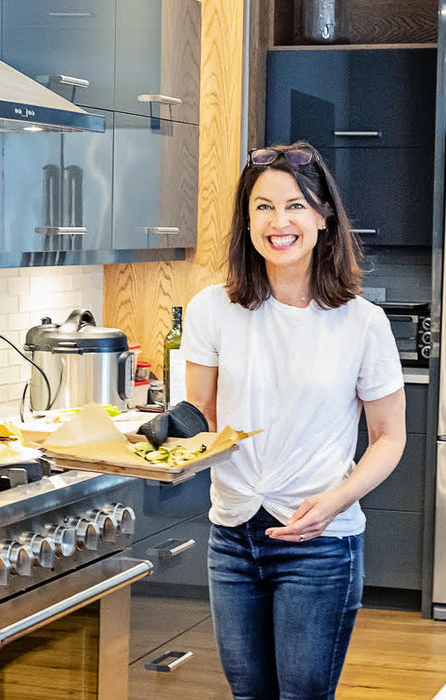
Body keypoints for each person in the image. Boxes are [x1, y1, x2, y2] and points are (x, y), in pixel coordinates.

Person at [141, 141, 406, 699]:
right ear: (247, 219)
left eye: (296, 205)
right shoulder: (214, 308)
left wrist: (333, 502)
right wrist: (169, 430)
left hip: (321, 541)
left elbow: (388, 438)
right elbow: (204, 418)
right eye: (263, 207)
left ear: (323, 217)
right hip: (233, 534)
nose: (279, 222)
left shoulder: (362, 322)